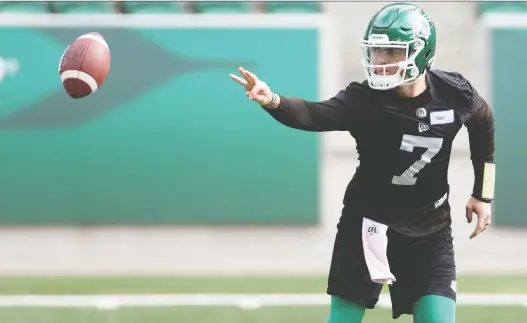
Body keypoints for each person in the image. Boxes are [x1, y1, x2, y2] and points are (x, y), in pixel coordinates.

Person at [230, 2, 495, 323]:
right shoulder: (364, 99)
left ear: (422, 52)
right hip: (366, 224)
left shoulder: (454, 92)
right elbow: (313, 114)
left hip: (430, 229)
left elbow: (483, 123)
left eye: (392, 52)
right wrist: (273, 100)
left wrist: (482, 193)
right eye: (378, 52)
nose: (381, 61)